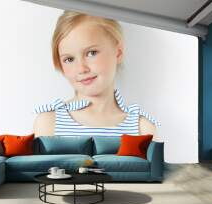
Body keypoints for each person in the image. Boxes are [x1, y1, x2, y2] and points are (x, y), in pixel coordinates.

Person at [33, 11, 160, 139]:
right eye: (69, 59)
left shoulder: (142, 128)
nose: (81, 68)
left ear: (118, 52)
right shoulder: (49, 123)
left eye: (91, 53)